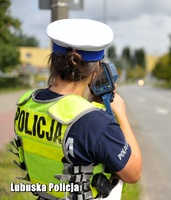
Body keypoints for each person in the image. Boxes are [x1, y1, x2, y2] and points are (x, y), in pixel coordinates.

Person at [12, 19, 142, 200]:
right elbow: (134, 173)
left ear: (53, 62)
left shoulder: (27, 103)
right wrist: (120, 113)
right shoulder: (95, 123)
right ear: (96, 70)